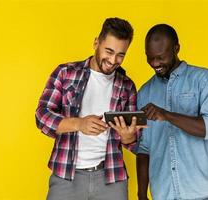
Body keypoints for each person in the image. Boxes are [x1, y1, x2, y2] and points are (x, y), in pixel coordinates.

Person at [35, 17, 142, 200]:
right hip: (66, 176)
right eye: (109, 51)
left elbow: (134, 143)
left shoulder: (127, 86)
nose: (113, 60)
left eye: (120, 55)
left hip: (111, 176)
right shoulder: (65, 73)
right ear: (96, 43)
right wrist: (79, 124)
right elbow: (42, 116)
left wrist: (128, 136)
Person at [136, 24, 208, 200]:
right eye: (150, 58)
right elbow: (144, 148)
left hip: (204, 194)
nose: (155, 64)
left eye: (160, 57)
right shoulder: (145, 92)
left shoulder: (204, 79)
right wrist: (141, 194)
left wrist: (167, 115)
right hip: (164, 194)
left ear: (176, 48)